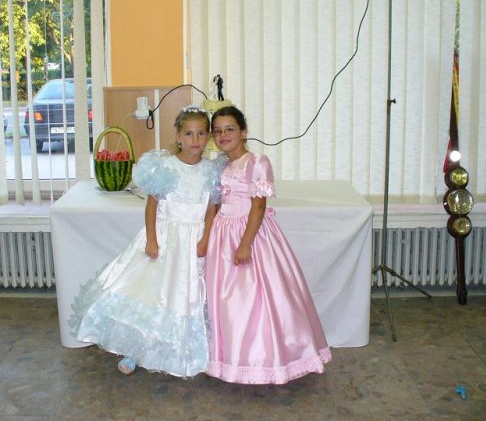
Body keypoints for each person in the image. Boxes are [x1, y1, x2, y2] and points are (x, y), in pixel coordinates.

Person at [69, 107, 222, 377]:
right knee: (149, 294)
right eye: (189, 134)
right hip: (164, 240)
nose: (195, 139)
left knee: (184, 299)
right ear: (178, 136)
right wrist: (152, 239)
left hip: (193, 243)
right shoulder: (164, 167)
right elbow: (152, 206)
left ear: (208, 136)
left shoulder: (211, 171)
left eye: (201, 133)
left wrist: (205, 239)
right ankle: (135, 351)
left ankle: (175, 351)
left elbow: (212, 209)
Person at [205, 105, 332, 384]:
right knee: (227, 302)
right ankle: (231, 360)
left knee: (257, 298)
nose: (223, 135)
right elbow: (215, 203)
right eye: (218, 131)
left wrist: (245, 244)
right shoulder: (220, 165)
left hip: (250, 234)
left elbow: (258, 206)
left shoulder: (256, 162)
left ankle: (269, 360)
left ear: (244, 131)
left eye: (230, 129)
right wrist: (208, 236)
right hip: (222, 236)